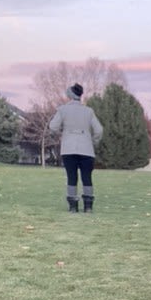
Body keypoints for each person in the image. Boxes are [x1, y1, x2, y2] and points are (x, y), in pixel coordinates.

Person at [49, 84, 103, 212]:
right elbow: (99, 130)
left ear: (70, 95)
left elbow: (53, 127)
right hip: (86, 149)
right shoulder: (89, 111)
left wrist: (58, 135)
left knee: (71, 177)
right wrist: (94, 141)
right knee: (87, 178)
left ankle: (73, 207)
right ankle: (88, 206)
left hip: (69, 148)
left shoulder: (63, 110)